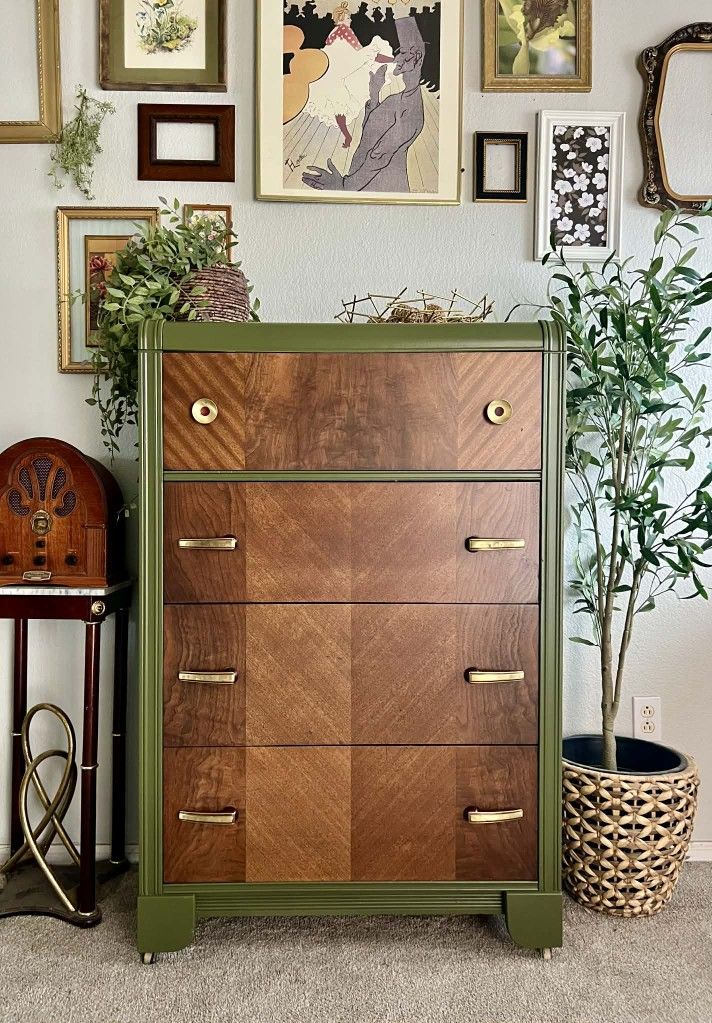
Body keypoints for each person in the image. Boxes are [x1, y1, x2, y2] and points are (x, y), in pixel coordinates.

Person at [302, 12, 425, 193]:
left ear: (418, 58)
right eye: (400, 52)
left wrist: (344, 186)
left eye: (405, 53)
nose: (398, 58)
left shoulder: (412, 110)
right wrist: (374, 93)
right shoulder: (396, 98)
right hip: (360, 182)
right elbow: (371, 130)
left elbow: (379, 155)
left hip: (381, 188)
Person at [302, 3, 395, 150]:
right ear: (342, 18)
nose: (350, 20)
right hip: (343, 66)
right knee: (370, 54)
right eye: (348, 17)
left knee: (338, 104)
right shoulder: (345, 30)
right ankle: (394, 60)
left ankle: (347, 135)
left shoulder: (333, 32)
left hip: (334, 72)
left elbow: (329, 50)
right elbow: (358, 49)